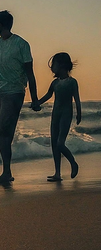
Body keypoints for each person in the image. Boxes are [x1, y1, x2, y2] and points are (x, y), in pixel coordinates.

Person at [0, 10, 40, 184]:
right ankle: (6, 170)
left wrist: (34, 98)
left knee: (4, 132)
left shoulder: (21, 44)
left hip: (14, 92)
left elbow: (30, 74)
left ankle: (7, 171)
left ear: (2, 24)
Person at [36, 52, 81, 181]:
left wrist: (79, 113)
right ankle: (57, 173)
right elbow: (48, 96)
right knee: (54, 144)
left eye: (54, 64)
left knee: (60, 143)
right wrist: (36, 103)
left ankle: (73, 162)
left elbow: (76, 99)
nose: (52, 67)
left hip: (66, 115)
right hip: (55, 115)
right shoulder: (55, 83)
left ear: (61, 65)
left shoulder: (72, 82)